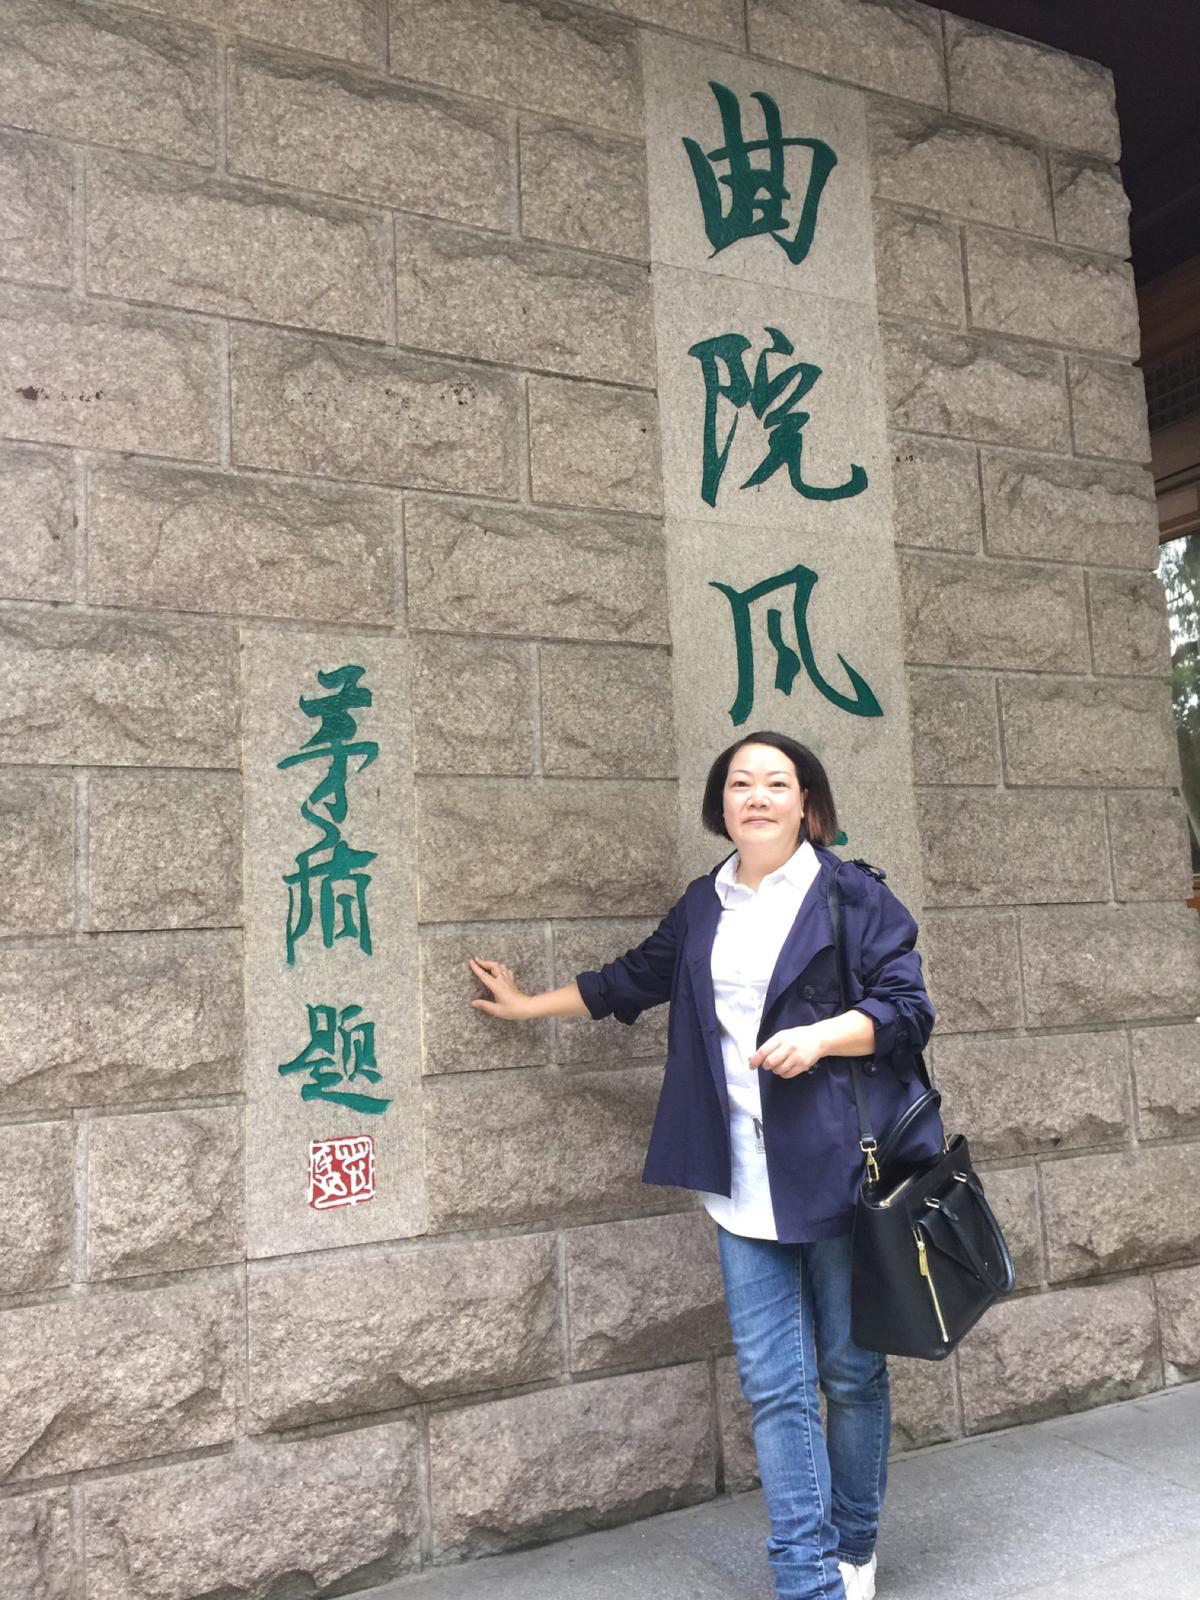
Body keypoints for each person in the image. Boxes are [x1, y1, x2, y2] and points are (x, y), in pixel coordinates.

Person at [467, 731, 943, 1600]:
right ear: (720, 803)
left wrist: (820, 1038)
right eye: (740, 783)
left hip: (841, 1174)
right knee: (774, 1386)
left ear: (807, 803)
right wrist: (528, 1004)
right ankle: (808, 1580)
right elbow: (631, 980)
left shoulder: (852, 895)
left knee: (849, 1371)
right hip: (742, 1179)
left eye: (776, 783)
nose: (756, 797)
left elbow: (907, 1009)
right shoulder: (704, 902)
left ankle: (855, 1544)